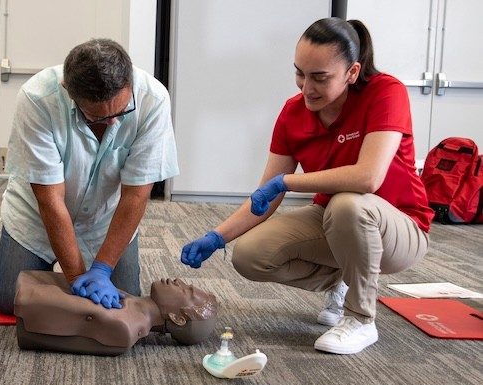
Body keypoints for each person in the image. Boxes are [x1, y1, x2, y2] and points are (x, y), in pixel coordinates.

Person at [180, 17, 434, 355]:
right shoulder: (293, 113)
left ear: (352, 72)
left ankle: (360, 319)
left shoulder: (386, 92)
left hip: (400, 229)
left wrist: (287, 181)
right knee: (250, 255)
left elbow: (367, 178)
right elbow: (264, 198)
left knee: (348, 204)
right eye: (300, 73)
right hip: (337, 222)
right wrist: (217, 237)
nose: (306, 88)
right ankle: (345, 280)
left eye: (320, 78)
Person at [0, 39, 179, 315]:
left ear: (129, 79)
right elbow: (50, 199)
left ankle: (60, 286)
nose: (113, 122)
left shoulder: (153, 99)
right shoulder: (37, 98)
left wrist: (102, 269)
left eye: (121, 111)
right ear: (69, 92)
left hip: (106, 217)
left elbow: (136, 194)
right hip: (36, 216)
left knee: (125, 298)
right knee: (10, 301)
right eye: (97, 118)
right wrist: (77, 278)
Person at [14, 271, 218, 355]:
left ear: (177, 318)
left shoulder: (123, 325)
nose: (178, 281)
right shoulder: (131, 305)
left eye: (186, 291)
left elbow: (28, 297)